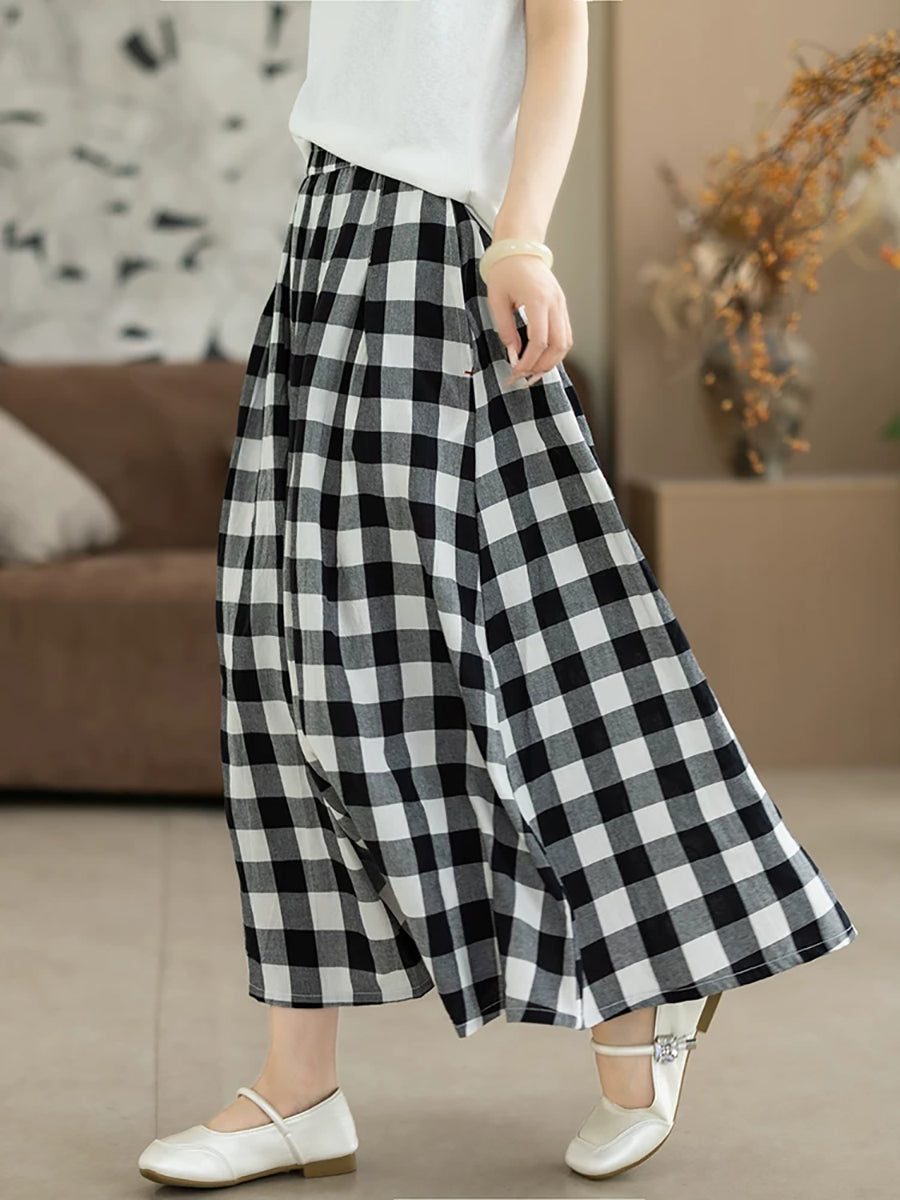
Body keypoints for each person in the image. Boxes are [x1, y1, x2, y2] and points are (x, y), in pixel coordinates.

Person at [138, 0, 859, 1187]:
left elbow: (561, 30)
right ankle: (299, 1086)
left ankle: (643, 981)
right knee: (286, 663)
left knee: (537, 638)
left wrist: (521, 237)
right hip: (323, 236)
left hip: (437, 251)